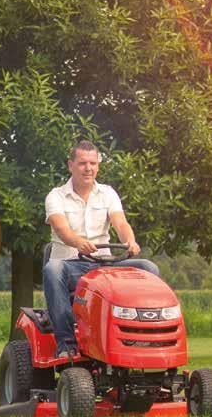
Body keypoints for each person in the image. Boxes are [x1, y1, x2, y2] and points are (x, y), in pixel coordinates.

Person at [43, 140, 159, 358]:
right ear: (71, 165)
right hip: (71, 267)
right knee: (52, 269)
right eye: (82, 163)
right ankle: (66, 344)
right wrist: (79, 242)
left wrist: (130, 241)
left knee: (148, 268)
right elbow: (61, 228)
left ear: (98, 166)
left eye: (93, 163)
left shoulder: (108, 193)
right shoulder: (56, 195)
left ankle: (141, 336)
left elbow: (120, 223)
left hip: (104, 266)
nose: (88, 168)